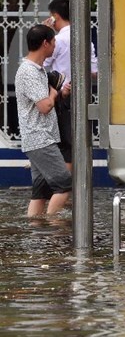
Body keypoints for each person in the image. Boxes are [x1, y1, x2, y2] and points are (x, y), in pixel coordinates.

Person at [15, 24, 72, 216]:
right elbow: (45, 106)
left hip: (40, 137)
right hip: (40, 138)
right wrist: (54, 93)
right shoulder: (29, 72)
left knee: (40, 191)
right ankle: (53, 226)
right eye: (54, 41)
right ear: (45, 43)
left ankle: (36, 231)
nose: (56, 45)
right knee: (65, 184)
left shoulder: (37, 70)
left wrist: (58, 93)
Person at [43, 0, 99, 171]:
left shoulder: (57, 40)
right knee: (78, 144)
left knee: (63, 146)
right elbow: (95, 73)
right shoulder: (84, 39)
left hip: (60, 96)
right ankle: (70, 190)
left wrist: (44, 33)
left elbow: (41, 65)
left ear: (55, 16)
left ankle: (63, 192)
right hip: (81, 95)